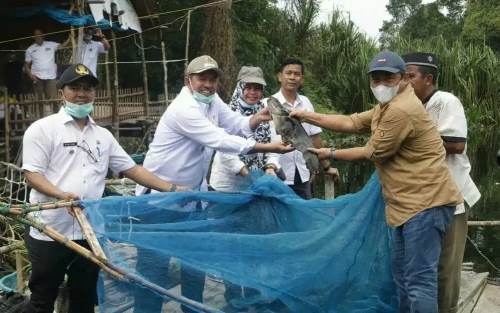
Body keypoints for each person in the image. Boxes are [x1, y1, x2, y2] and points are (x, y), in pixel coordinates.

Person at [292, 51, 463, 313]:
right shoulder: (387, 106)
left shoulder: (401, 109)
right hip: (404, 206)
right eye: (376, 79)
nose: (381, 84)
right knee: (403, 278)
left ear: (403, 78)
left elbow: (372, 152)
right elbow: (351, 121)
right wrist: (306, 116)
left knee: (419, 281)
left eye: (388, 78)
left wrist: (330, 154)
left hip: (426, 204)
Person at [134, 55, 293, 313]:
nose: (208, 84)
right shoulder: (184, 109)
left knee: (194, 267)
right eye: (202, 79)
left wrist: (258, 118)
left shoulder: (211, 100)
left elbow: (235, 124)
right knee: (153, 272)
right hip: (159, 200)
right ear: (189, 80)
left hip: (192, 197)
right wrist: (266, 147)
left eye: (212, 79)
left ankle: (193, 310)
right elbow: (220, 140)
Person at [22, 63, 182, 313]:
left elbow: (132, 169)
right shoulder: (43, 129)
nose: (82, 93)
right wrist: (61, 195)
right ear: (61, 92)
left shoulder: (102, 136)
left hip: (90, 231)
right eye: (75, 88)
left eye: (87, 88)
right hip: (50, 229)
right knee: (42, 297)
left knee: (84, 296)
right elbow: (32, 174)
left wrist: (171, 188)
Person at [402, 52, 481, 313]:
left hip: (452, 198)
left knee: (446, 268)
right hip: (424, 199)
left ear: (429, 78)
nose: (405, 81)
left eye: (410, 76)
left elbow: (457, 144)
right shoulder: (407, 105)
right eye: (402, 76)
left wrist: (411, 137)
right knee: (423, 266)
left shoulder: (445, 101)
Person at [266, 58, 337, 199]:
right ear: (280, 76)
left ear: (302, 79)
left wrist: (325, 167)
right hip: (276, 175)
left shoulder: (306, 103)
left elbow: (315, 138)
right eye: (288, 73)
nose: (292, 77)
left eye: (297, 74)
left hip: (303, 175)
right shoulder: (268, 104)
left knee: (303, 217)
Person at [210, 66, 282, 192]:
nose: (253, 92)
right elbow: (225, 150)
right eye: (248, 88)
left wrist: (271, 166)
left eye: (257, 88)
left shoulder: (267, 112)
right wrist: (248, 175)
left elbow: (275, 144)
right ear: (240, 88)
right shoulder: (227, 112)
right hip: (228, 185)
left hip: (259, 181)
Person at [24, 29, 63, 114]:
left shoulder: (51, 44)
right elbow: (26, 66)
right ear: (33, 37)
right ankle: (40, 119)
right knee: (39, 100)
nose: (38, 36)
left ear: (43, 35)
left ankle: (57, 118)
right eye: (36, 35)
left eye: (39, 34)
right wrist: (31, 75)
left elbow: (62, 46)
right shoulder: (30, 49)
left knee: (54, 99)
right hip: (37, 77)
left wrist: (70, 38)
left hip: (51, 77)